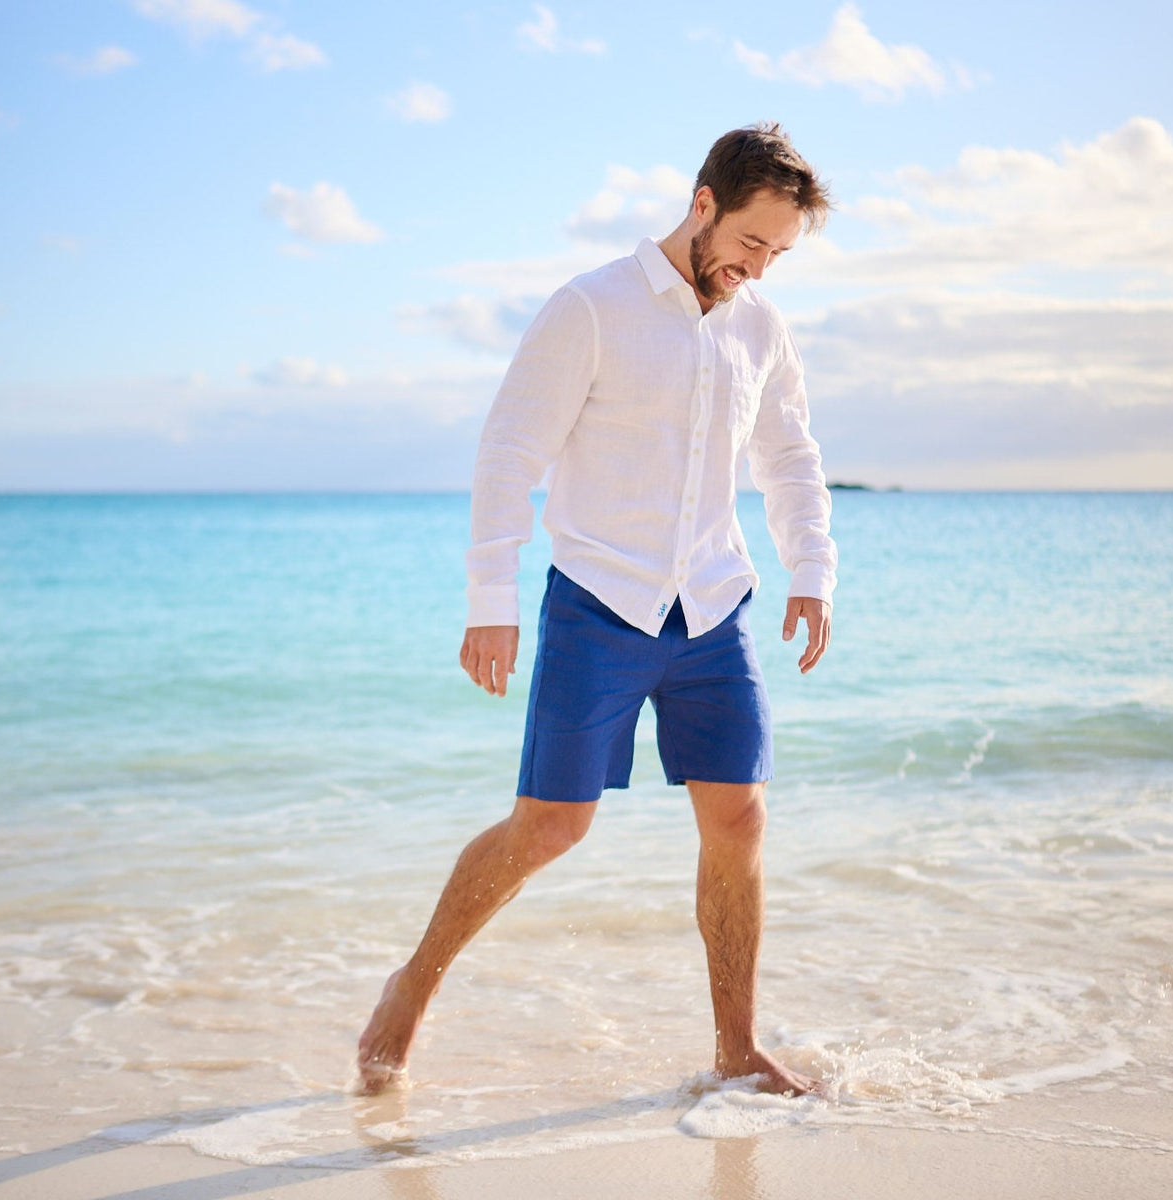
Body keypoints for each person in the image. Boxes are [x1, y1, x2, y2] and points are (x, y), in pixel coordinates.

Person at [358, 122, 838, 1098]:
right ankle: (415, 982)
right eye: (752, 243)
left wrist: (811, 568)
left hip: (712, 606)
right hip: (599, 604)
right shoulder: (590, 308)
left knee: (739, 821)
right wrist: (490, 597)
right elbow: (509, 453)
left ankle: (736, 1048)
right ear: (702, 204)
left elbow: (786, 455)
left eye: (779, 255)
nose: (759, 269)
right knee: (549, 829)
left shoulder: (759, 327)